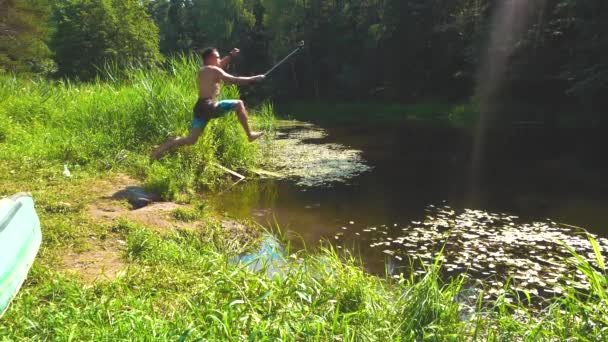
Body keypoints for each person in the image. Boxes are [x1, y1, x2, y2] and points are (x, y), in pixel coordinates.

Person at [151, 47, 265, 160]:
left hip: (200, 107)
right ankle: (249, 135)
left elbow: (219, 65)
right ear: (210, 58)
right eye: (217, 57)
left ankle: (160, 150)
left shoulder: (204, 70)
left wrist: (230, 56)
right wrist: (255, 78)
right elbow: (234, 80)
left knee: (190, 140)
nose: (219, 60)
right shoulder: (213, 70)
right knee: (239, 104)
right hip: (210, 106)